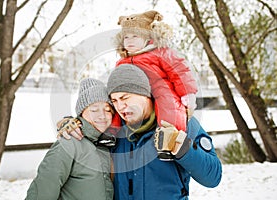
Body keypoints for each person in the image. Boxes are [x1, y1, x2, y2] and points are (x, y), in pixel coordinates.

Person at [57, 64, 222, 200]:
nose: (120, 107)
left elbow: (213, 177)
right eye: (114, 101)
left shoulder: (180, 122)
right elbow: (88, 122)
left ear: (144, 94)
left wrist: (182, 148)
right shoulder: (112, 130)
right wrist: (71, 123)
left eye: (125, 98)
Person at [25, 78, 114, 200]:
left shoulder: (108, 145)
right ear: (81, 112)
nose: (102, 115)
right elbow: (42, 193)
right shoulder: (68, 144)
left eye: (108, 110)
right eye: (94, 109)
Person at [114, 10, 198, 133]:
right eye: (126, 37)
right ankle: (112, 132)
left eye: (135, 36)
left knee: (167, 101)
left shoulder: (159, 52)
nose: (130, 40)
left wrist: (187, 92)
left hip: (158, 85)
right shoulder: (122, 61)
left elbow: (180, 70)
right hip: (135, 90)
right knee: (116, 101)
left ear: (147, 38)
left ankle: (171, 133)